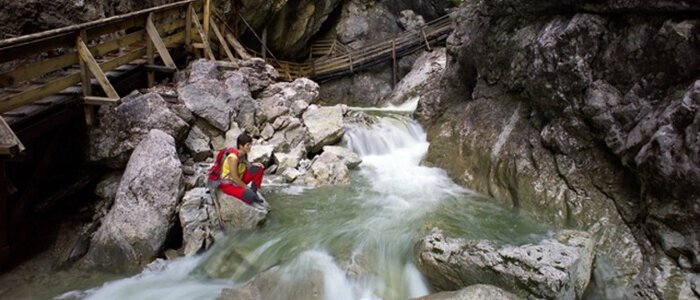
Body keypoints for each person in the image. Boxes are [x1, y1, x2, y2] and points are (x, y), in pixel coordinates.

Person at [219, 133, 265, 206]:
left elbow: (245, 165)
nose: (250, 147)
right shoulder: (233, 158)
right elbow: (235, 178)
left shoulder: (243, 155)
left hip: (240, 179)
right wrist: (247, 188)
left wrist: (253, 165)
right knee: (249, 196)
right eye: (248, 145)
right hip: (229, 184)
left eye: (250, 144)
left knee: (259, 168)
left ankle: (254, 192)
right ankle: (252, 194)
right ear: (240, 146)